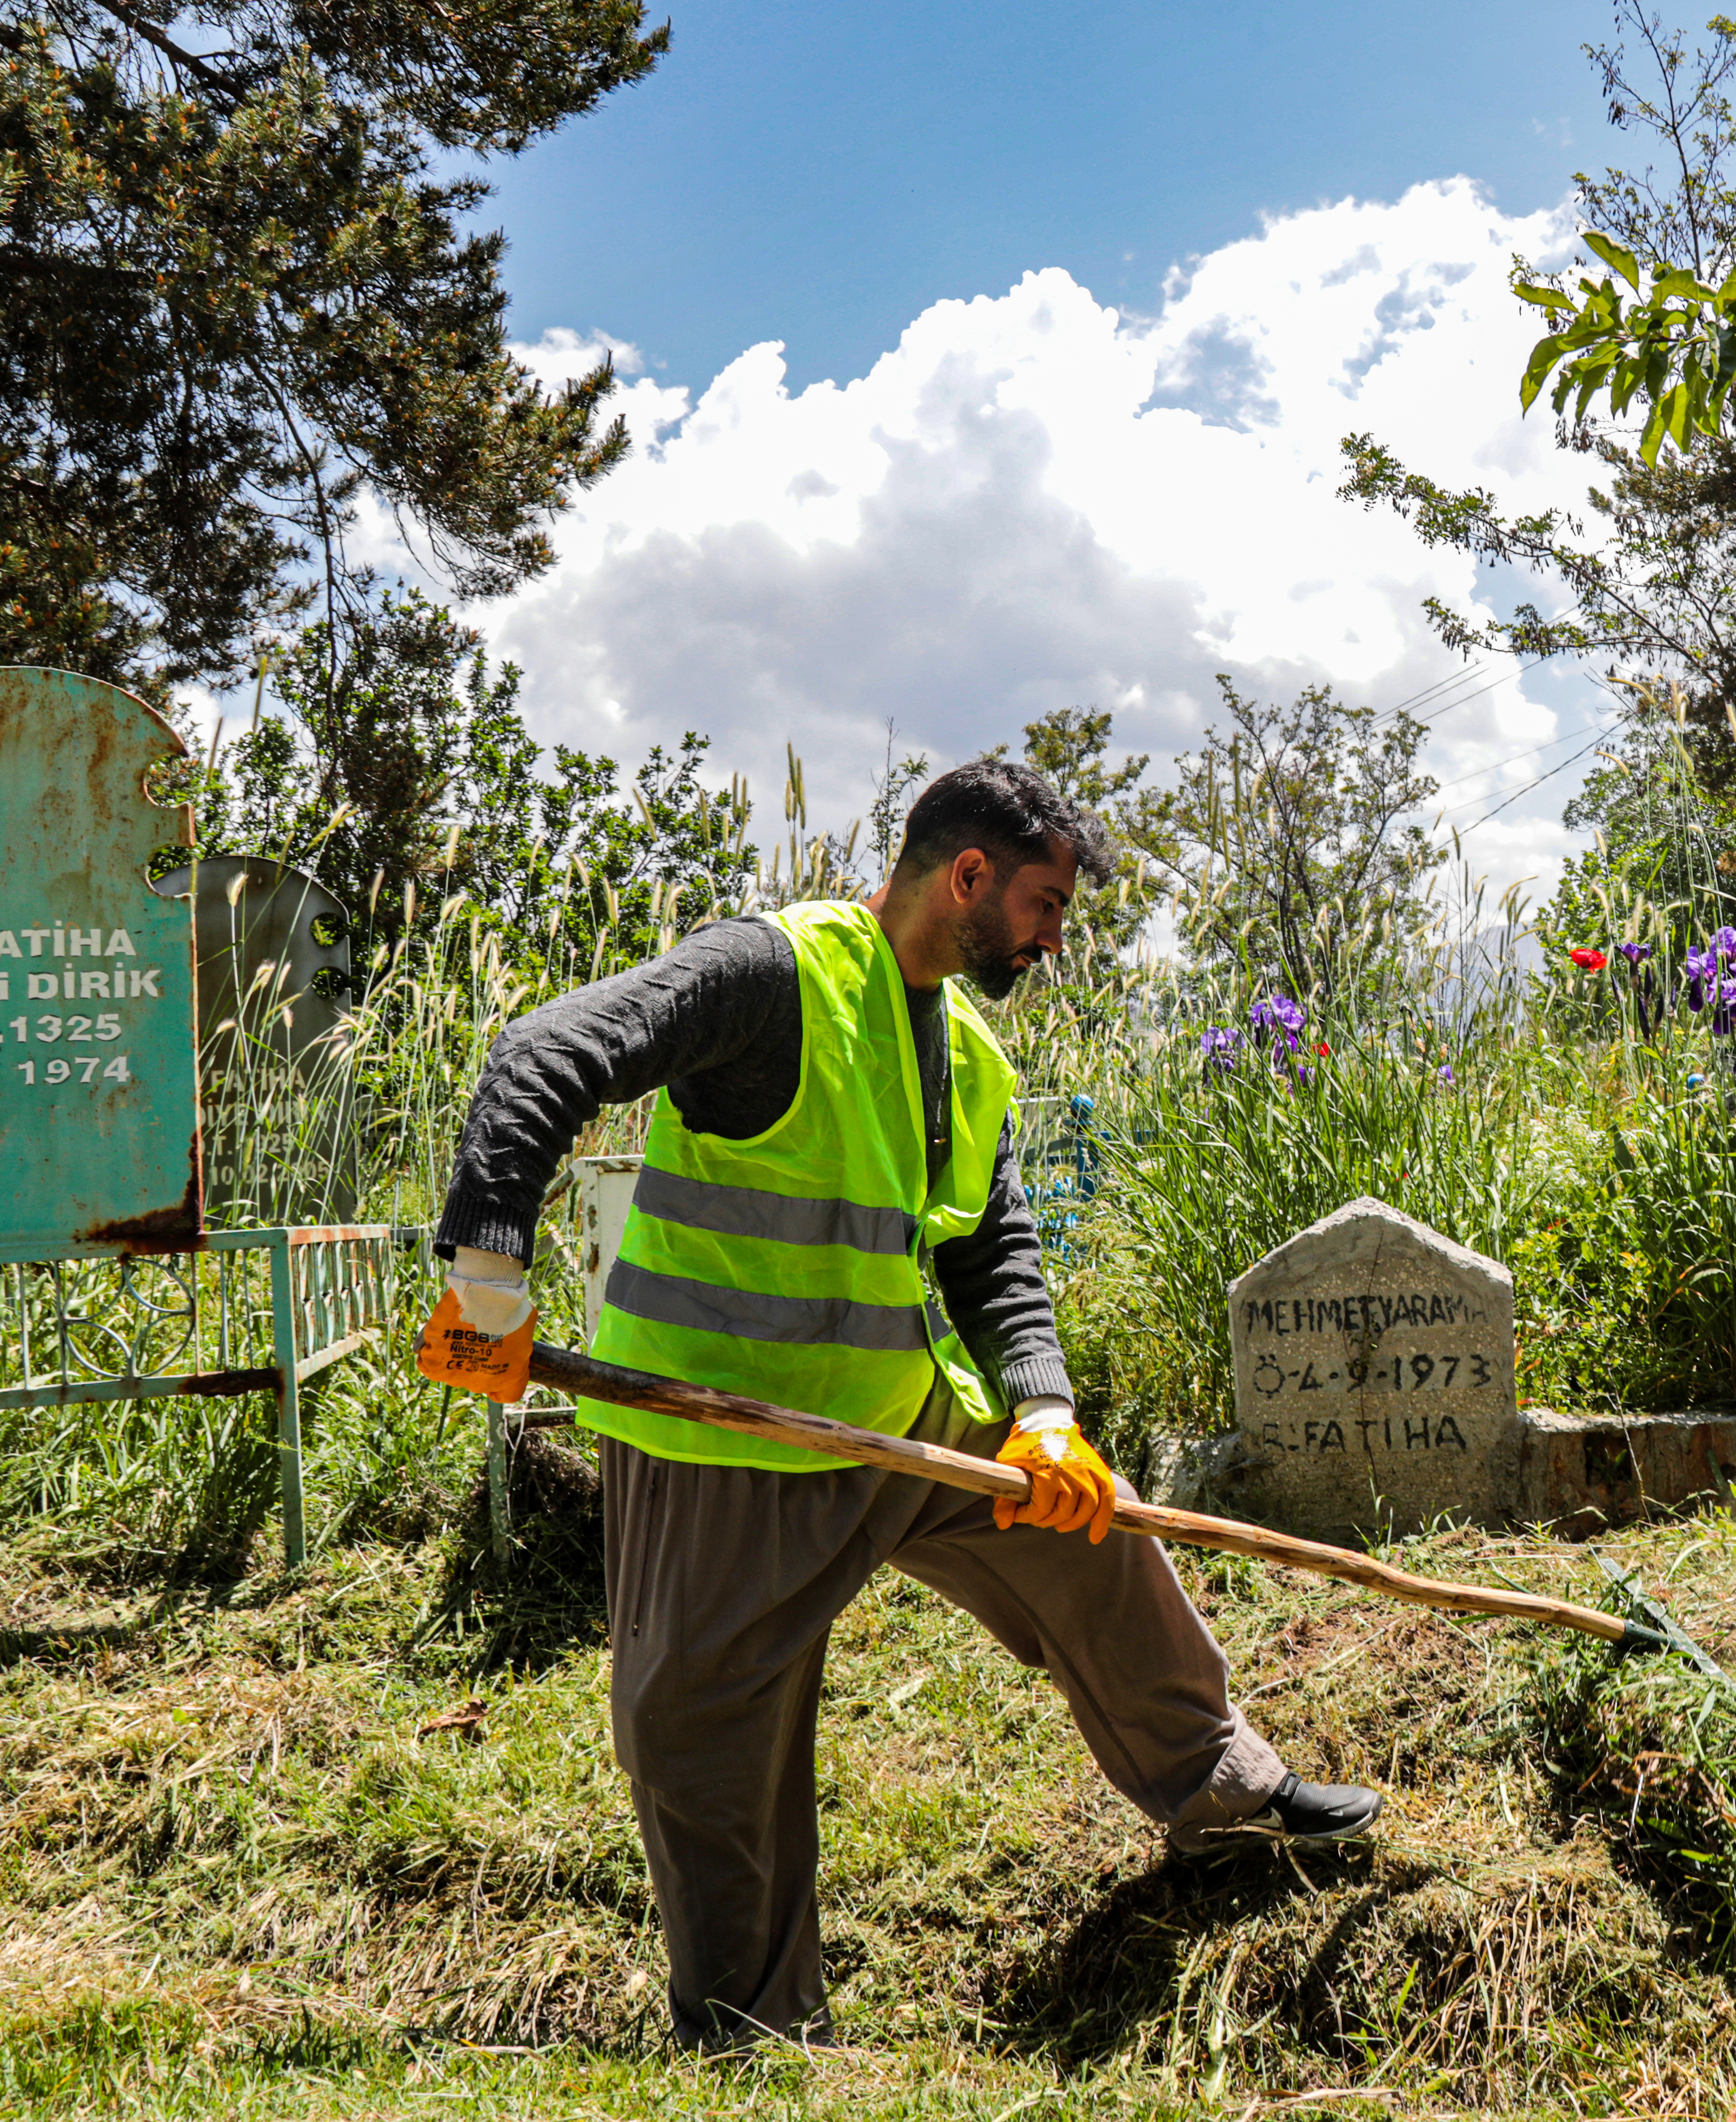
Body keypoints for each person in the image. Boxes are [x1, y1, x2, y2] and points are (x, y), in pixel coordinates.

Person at [425, 755, 1377, 2047]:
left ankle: (1227, 1791)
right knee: (704, 1732)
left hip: (898, 1419)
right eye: (1044, 904)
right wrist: (486, 1279)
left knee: (1094, 1530)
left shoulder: (969, 1047)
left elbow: (995, 1244)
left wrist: (1043, 1409)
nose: (1052, 939)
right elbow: (550, 1051)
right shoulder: (773, 974)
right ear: (969, 875)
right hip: (729, 1437)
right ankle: (752, 2024)